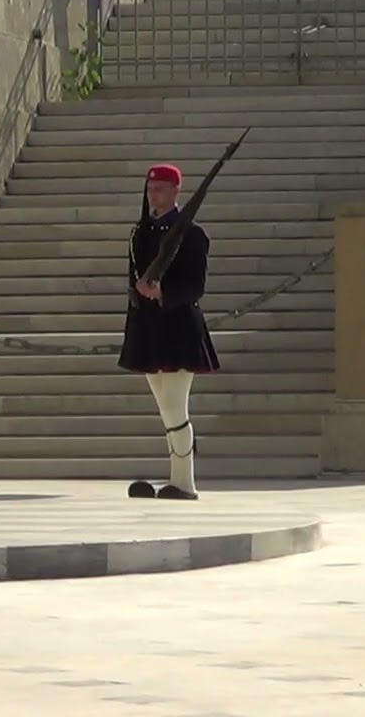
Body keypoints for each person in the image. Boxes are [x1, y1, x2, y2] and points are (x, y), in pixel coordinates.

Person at [118, 163, 219, 501]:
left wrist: (163, 292)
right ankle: (177, 477)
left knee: (175, 407)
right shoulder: (140, 233)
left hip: (177, 328)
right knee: (165, 408)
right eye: (150, 189)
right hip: (149, 328)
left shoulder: (191, 233)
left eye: (160, 188)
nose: (153, 194)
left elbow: (195, 286)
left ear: (177, 191)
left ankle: (185, 483)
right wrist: (139, 291)